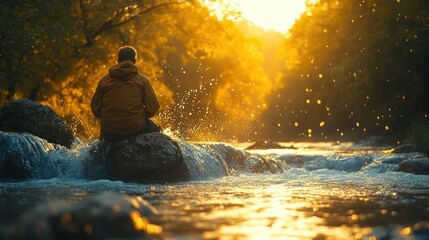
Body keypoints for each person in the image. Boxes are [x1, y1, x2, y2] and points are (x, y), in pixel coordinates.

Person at [91, 46, 161, 141]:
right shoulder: (142, 81)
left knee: (103, 142)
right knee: (157, 128)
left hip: (109, 130)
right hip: (135, 128)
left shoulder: (104, 81)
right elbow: (152, 109)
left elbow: (95, 109)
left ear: (118, 60)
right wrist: (136, 116)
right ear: (135, 61)